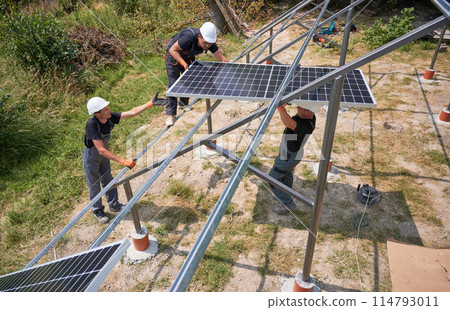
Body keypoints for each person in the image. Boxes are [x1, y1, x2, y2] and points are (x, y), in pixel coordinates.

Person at [83, 93, 167, 223]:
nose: (109, 110)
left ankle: (114, 205)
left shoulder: (109, 117)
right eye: (106, 109)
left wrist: (149, 104)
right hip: (92, 158)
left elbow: (132, 112)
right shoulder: (92, 124)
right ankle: (98, 211)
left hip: (104, 157)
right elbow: (101, 149)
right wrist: (122, 161)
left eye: (108, 107)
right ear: (97, 114)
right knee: (94, 185)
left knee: (109, 180)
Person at [165, 22, 228, 126]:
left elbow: (221, 58)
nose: (208, 46)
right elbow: (173, 50)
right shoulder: (188, 37)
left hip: (188, 57)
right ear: (199, 36)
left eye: (210, 44)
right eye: (206, 43)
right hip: (174, 57)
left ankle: (183, 103)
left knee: (190, 79)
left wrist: (229, 70)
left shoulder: (209, 42)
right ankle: (171, 115)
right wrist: (184, 64)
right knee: (174, 85)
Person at [268, 104, 316, 215]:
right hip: (290, 151)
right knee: (286, 174)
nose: (297, 107)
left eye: (300, 107)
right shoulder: (309, 117)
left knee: (272, 179)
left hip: (289, 157)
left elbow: (289, 123)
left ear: (306, 111)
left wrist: (280, 107)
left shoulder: (305, 126)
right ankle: (284, 193)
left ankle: (287, 204)